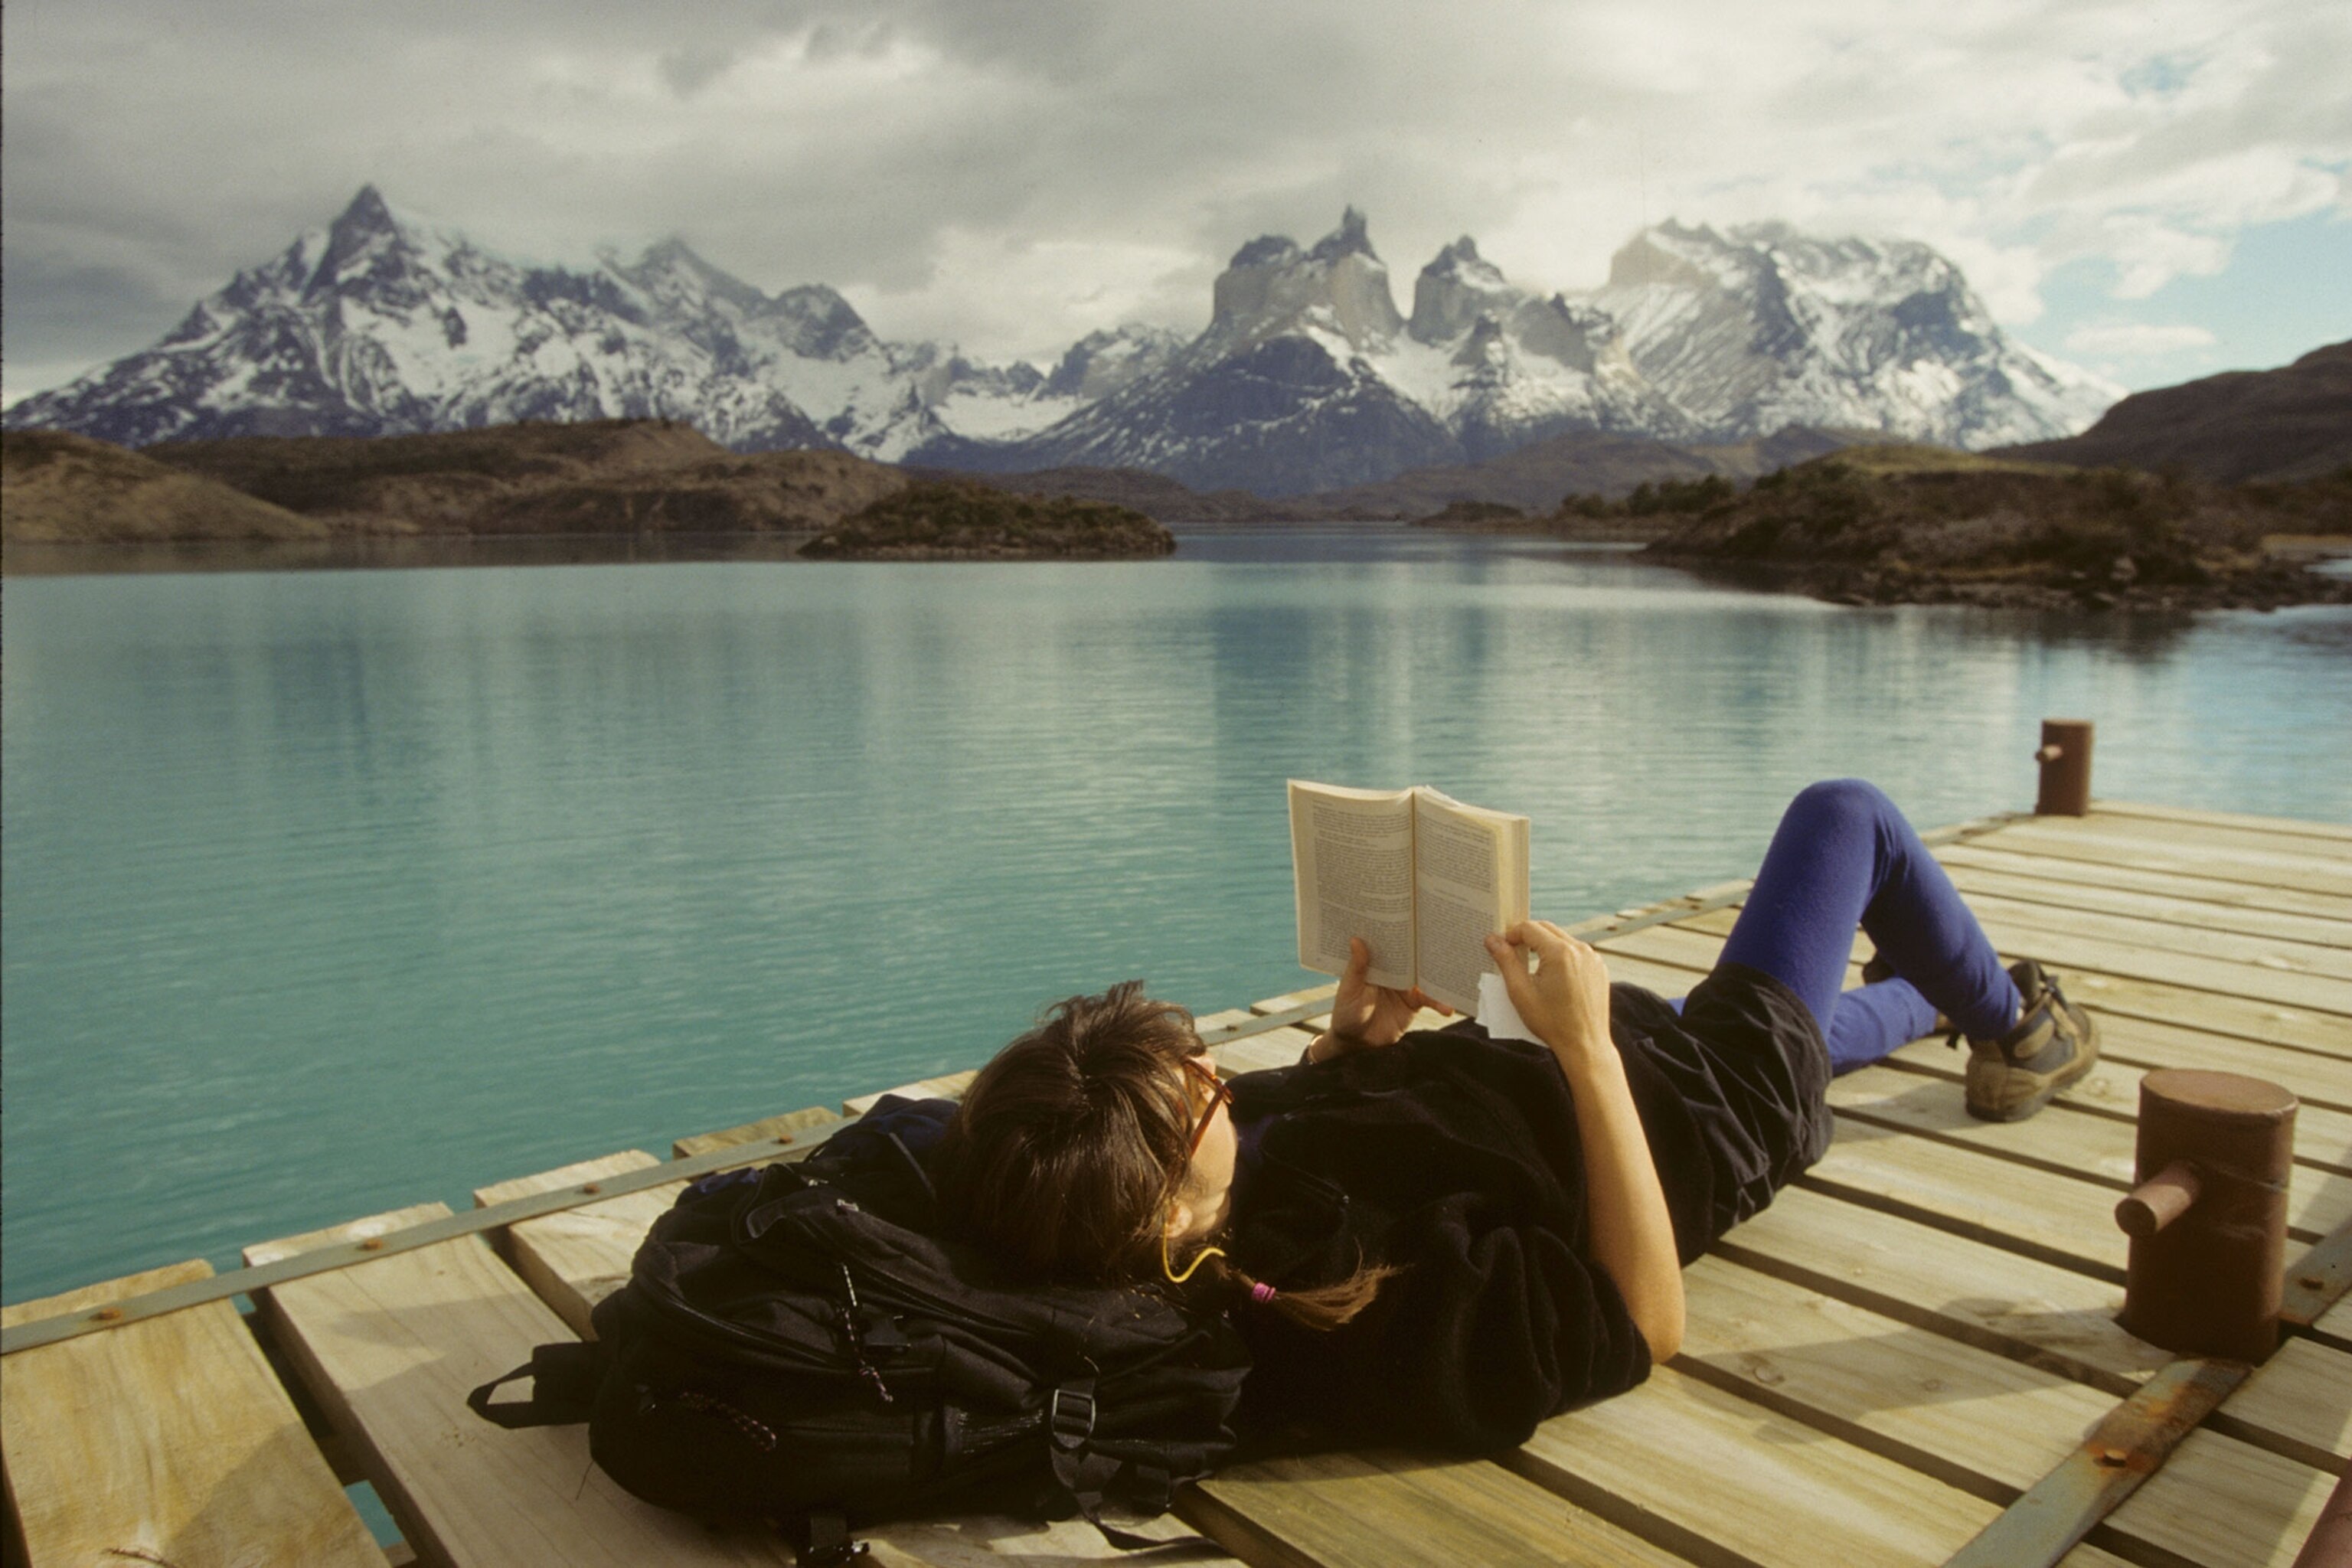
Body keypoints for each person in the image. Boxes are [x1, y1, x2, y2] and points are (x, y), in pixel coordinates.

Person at [913, 778, 2097, 1457]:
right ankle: (2015, 1024)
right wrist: (1587, 1052)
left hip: (1603, 1059)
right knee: (1846, 821)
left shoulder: (1187, 1208)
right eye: (1201, 1089)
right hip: (1702, 1106)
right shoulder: (1362, 1306)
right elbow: (1646, 1323)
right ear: (1170, 1209)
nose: (1214, 1069)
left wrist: (1342, 1053)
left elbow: (1321, 1142)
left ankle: (1935, 992)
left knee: (1814, 1014)